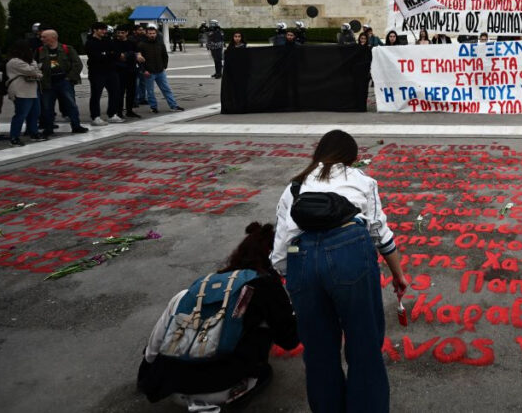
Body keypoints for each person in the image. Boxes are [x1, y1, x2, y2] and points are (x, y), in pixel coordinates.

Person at [271, 130, 407, 413]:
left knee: (319, 354)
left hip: (301, 258)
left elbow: (280, 254)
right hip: (350, 251)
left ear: (318, 153)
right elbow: (380, 234)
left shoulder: (294, 187)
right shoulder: (363, 181)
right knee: (364, 348)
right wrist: (398, 275)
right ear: (353, 157)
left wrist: (296, 282)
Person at [138, 222, 299, 409]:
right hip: (220, 389)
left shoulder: (200, 286)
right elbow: (289, 340)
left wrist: (146, 377)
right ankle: (231, 394)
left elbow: (154, 345)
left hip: (172, 388)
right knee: (264, 370)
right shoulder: (266, 287)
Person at [36, 29, 89, 137]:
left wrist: (69, 78)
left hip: (64, 82)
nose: (42, 39)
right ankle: (48, 128)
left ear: (53, 37)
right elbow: (34, 64)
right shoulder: (40, 50)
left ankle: (76, 125)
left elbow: (77, 64)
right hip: (48, 83)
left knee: (71, 105)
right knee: (47, 107)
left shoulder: (67, 49)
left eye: (44, 37)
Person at [136, 25, 185, 114]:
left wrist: (164, 66)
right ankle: (153, 107)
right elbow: (139, 61)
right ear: (146, 34)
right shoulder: (141, 45)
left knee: (166, 89)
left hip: (160, 71)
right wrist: (144, 70)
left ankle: (173, 106)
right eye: (150, 33)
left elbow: (165, 56)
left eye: (153, 33)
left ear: (156, 33)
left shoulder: (160, 44)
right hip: (149, 72)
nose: (152, 35)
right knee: (150, 91)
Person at [5, 42, 45, 146]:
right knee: (21, 114)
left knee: (35, 113)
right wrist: (35, 65)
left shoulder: (26, 61)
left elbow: (39, 73)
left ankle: (34, 133)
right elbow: (32, 71)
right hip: (21, 91)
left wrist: (36, 69)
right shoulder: (15, 61)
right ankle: (14, 137)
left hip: (31, 90)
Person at [85, 22, 123, 125]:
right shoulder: (90, 42)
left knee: (115, 92)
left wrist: (107, 54)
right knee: (96, 94)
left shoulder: (108, 40)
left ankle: (112, 114)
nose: (104, 31)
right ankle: (95, 117)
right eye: (101, 29)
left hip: (111, 70)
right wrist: (108, 54)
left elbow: (117, 53)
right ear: (95, 30)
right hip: (97, 72)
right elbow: (96, 57)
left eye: (105, 29)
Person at [112, 25, 141, 119]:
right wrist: (129, 55)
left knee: (131, 92)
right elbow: (117, 56)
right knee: (120, 92)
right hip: (119, 71)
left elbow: (136, 54)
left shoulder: (131, 43)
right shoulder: (114, 43)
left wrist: (128, 55)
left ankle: (129, 110)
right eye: (118, 32)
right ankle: (119, 112)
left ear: (127, 33)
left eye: (122, 32)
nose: (120, 34)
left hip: (131, 70)